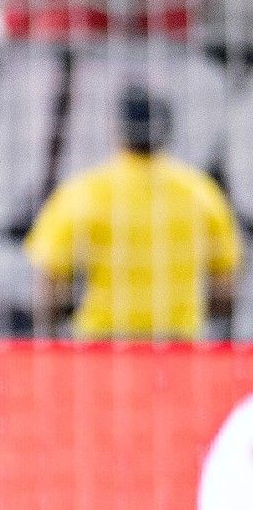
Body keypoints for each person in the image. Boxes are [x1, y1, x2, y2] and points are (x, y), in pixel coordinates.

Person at [24, 84, 240, 341]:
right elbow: (225, 285)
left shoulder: (84, 192)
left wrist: (53, 342)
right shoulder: (201, 194)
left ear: (118, 130)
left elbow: (50, 284)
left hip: (102, 343)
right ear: (167, 131)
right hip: (178, 344)